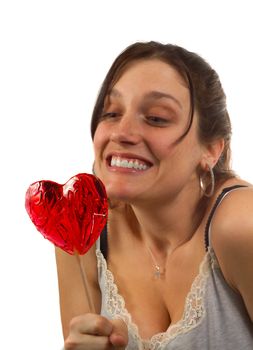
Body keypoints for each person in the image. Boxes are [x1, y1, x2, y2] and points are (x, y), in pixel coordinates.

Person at [55, 41, 253, 349]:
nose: (122, 132)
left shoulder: (241, 227)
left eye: (157, 117)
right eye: (111, 113)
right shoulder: (82, 227)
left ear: (211, 150)